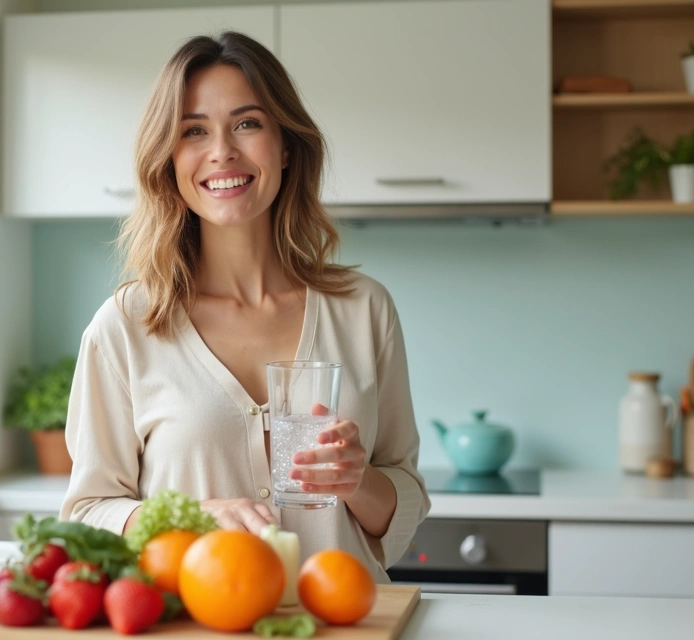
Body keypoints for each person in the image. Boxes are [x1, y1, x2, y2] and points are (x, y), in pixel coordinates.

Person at [59, 31, 429, 582]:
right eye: (193, 131)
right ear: (169, 157)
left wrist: (358, 481)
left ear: (285, 145)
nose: (222, 150)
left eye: (247, 123)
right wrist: (184, 518)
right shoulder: (125, 328)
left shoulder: (364, 310)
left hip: (343, 622)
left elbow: (404, 500)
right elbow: (86, 518)